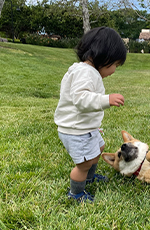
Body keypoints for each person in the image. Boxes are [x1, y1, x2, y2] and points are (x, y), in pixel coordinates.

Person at [54, 27, 127, 203]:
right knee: (84, 164)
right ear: (103, 56)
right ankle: (76, 193)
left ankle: (89, 178)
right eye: (115, 65)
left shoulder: (87, 71)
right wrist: (106, 99)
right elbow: (81, 99)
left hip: (85, 127)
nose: (114, 71)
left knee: (98, 149)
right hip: (76, 130)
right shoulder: (85, 72)